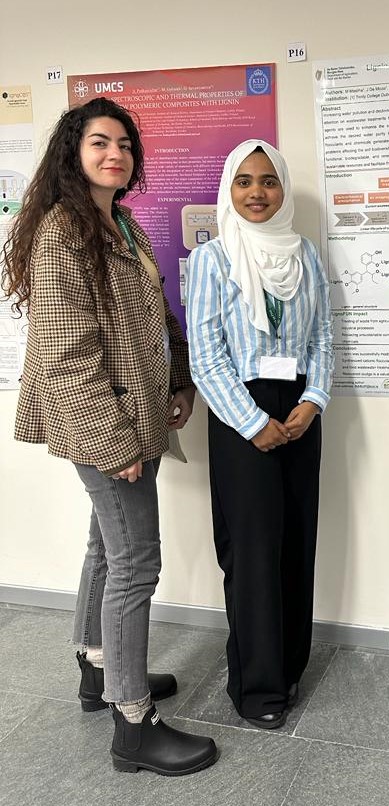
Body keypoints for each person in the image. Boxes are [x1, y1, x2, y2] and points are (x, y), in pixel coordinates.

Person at [2, 97, 218, 776]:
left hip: (137, 408)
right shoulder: (64, 231)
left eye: (124, 143)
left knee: (106, 543)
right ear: (74, 151)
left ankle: (98, 670)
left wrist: (179, 378)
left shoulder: (118, 222)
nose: (115, 154)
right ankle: (133, 724)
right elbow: (68, 353)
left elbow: (157, 317)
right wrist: (113, 441)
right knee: (136, 564)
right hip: (106, 421)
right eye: (100, 142)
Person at [186, 139, 333, 729]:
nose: (256, 193)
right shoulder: (213, 260)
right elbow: (205, 355)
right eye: (244, 181)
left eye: (268, 181)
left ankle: (290, 667)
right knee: (250, 553)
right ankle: (257, 688)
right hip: (238, 413)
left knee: (297, 541)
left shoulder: (306, 255)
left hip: (298, 409)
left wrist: (313, 400)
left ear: (282, 189)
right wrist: (251, 422)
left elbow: (323, 337)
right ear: (229, 189)